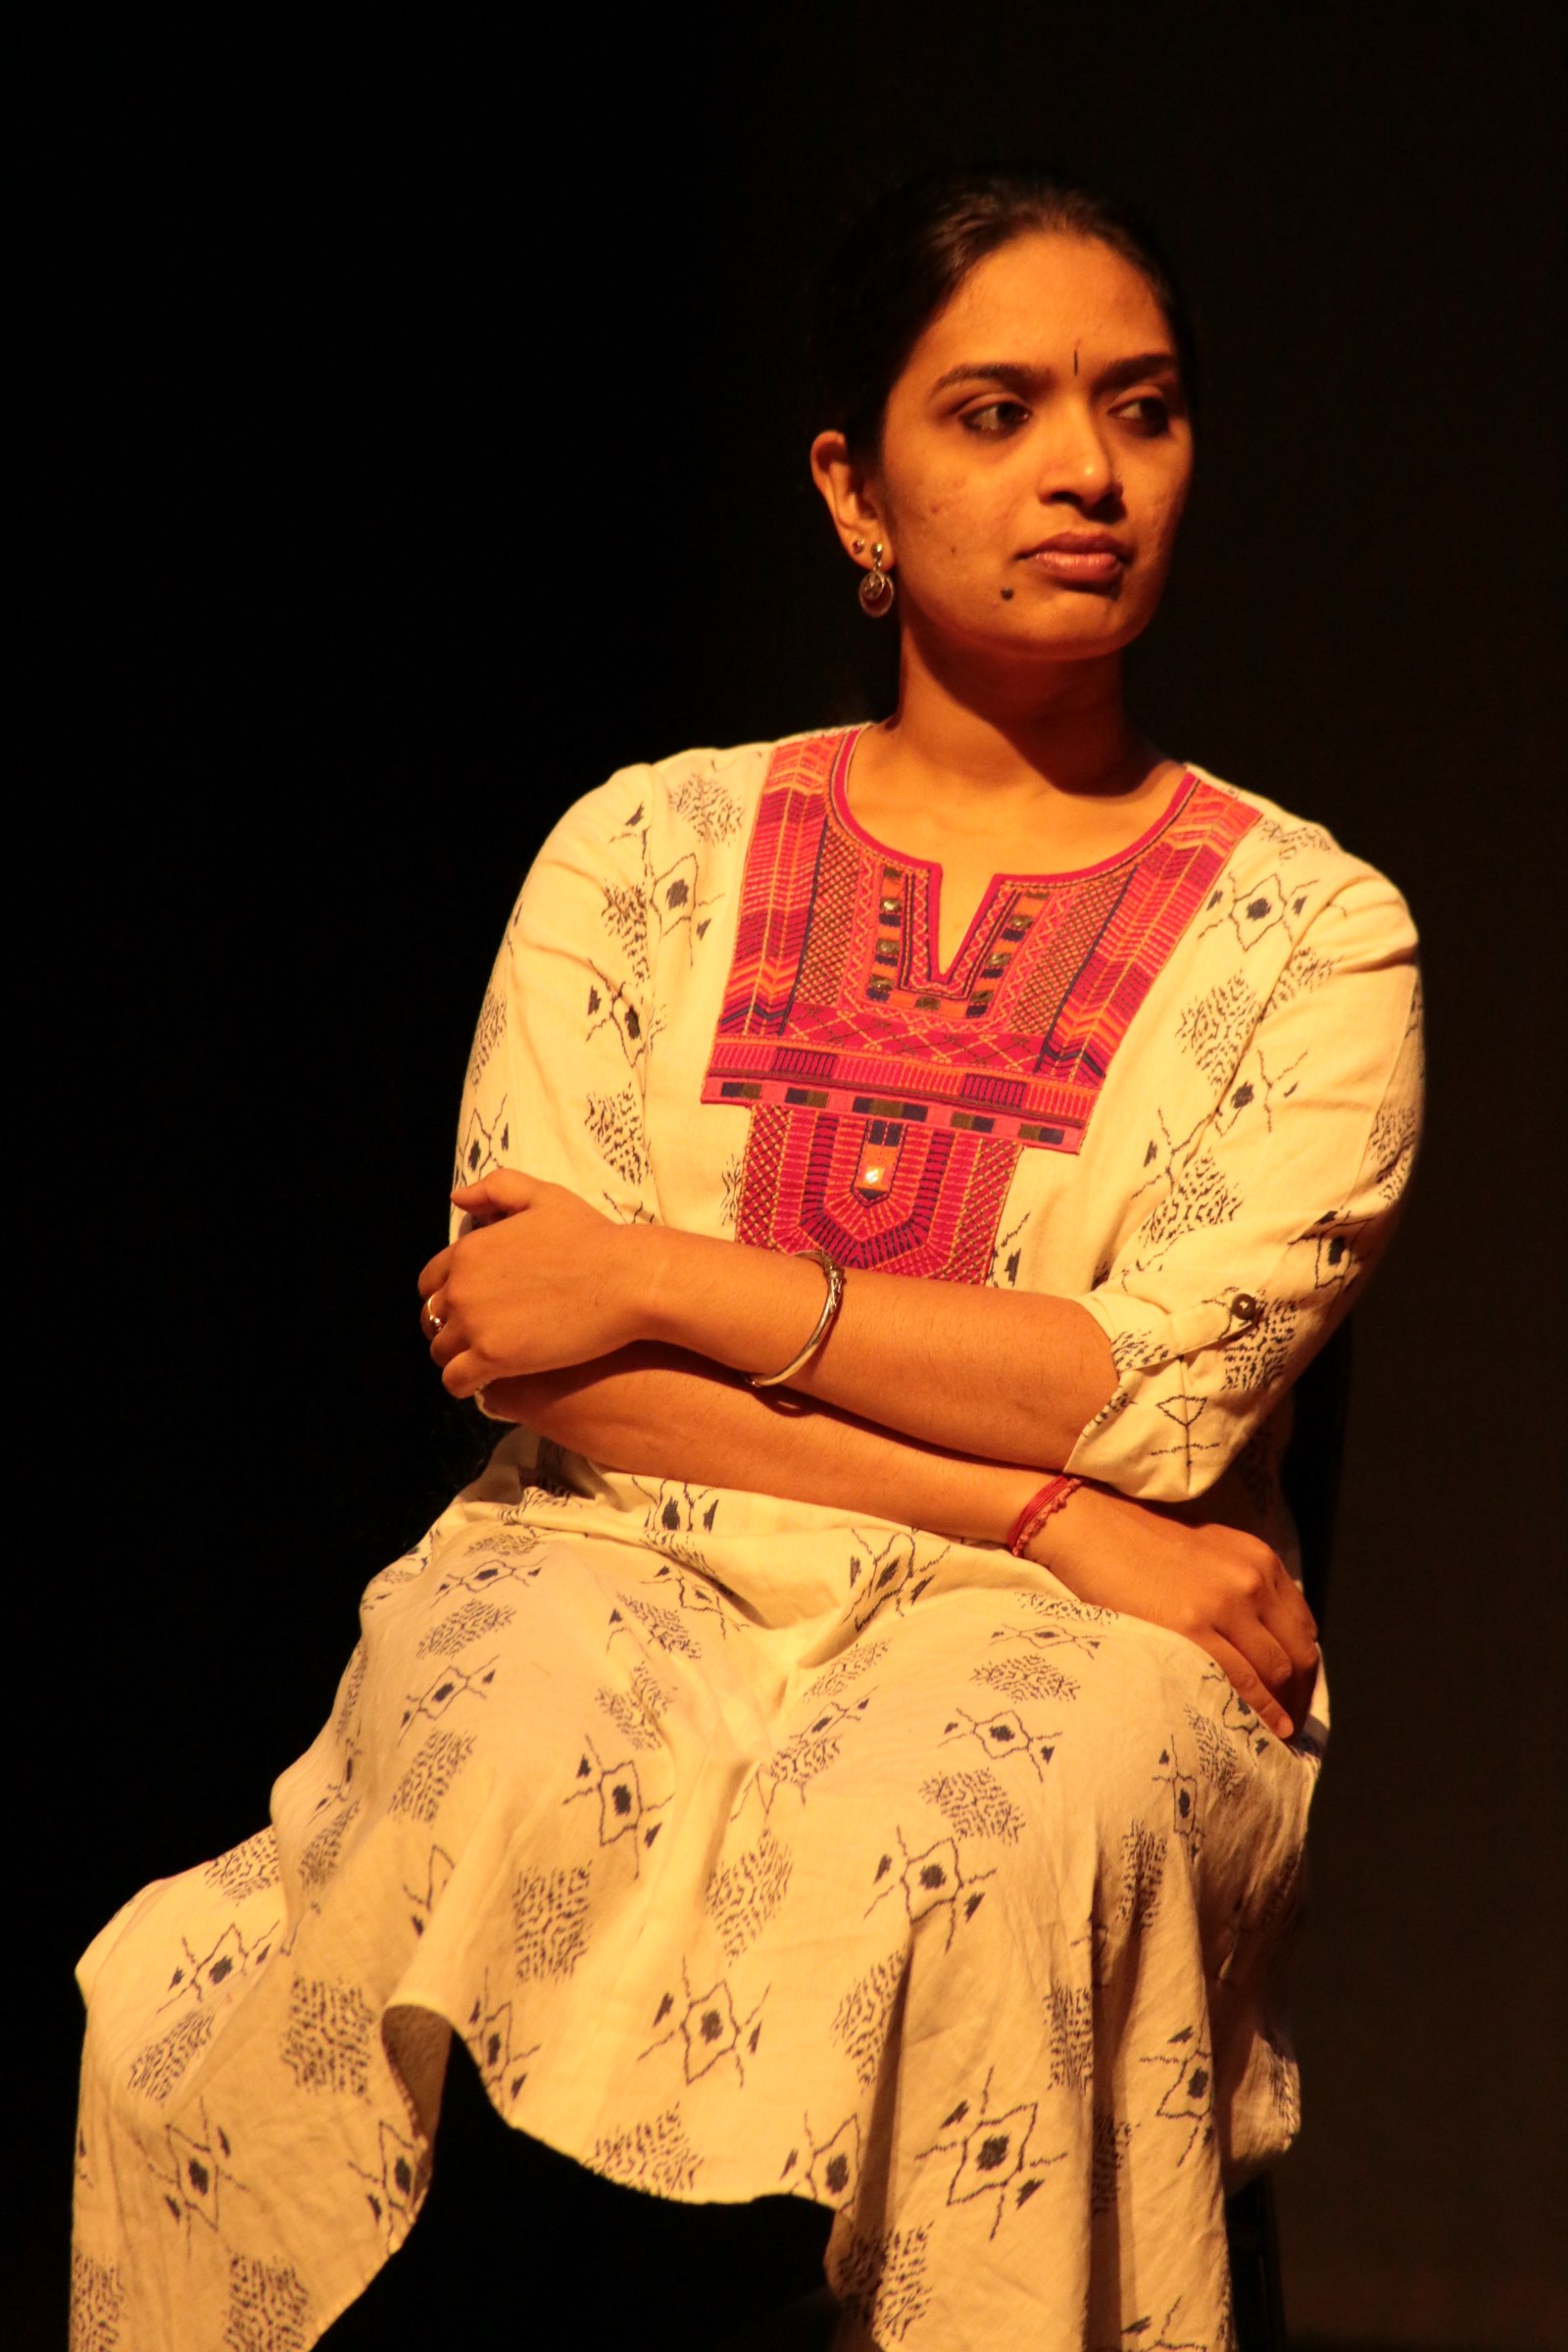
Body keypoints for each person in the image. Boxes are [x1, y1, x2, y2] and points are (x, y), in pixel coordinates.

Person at [71, 169, 1422, 2352]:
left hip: (1080, 1634)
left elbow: (1145, 1394)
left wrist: (675, 1280)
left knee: (992, 1835)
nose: (1085, 470)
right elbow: (540, 1353)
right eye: (994, 409)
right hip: (638, 1543)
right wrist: (1043, 1510)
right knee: (490, 1744)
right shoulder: (644, 852)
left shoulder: (1314, 933)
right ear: (852, 488)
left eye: (1142, 408)